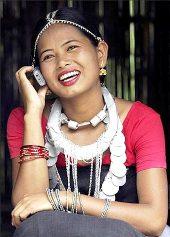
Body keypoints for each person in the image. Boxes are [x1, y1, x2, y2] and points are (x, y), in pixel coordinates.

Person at [7, 7, 168, 237]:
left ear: (100, 53)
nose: (62, 62)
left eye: (72, 47)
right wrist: (33, 115)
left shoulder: (142, 120)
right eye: (48, 57)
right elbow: (27, 214)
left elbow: (154, 221)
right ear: (39, 73)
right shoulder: (25, 120)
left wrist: (64, 200)